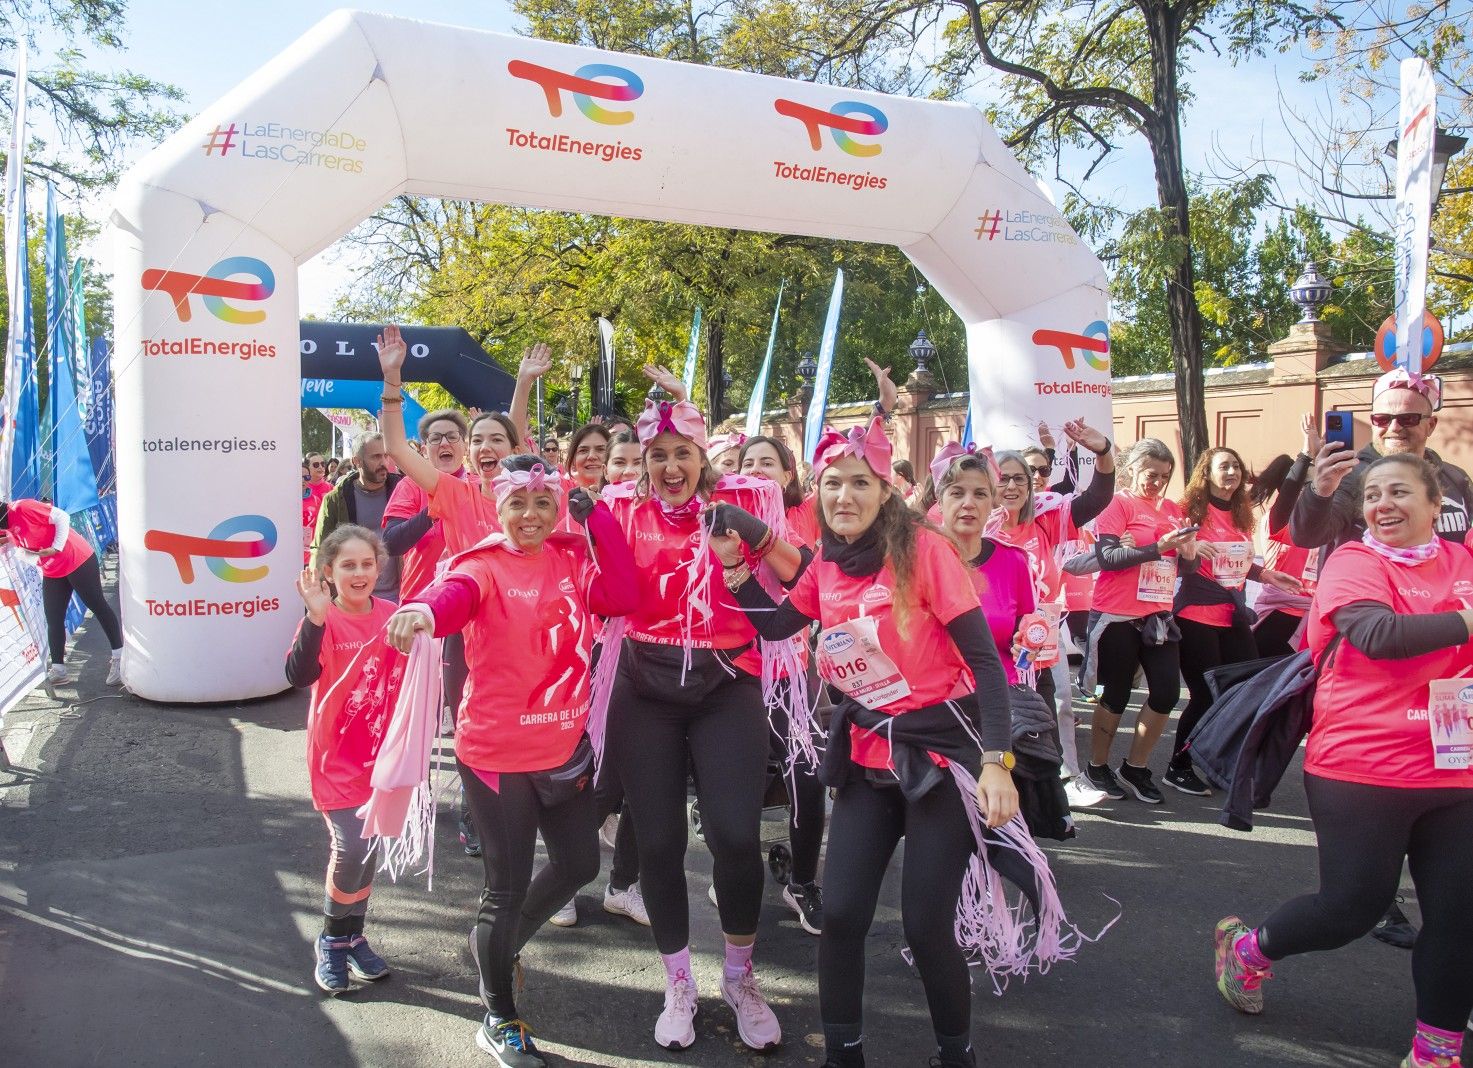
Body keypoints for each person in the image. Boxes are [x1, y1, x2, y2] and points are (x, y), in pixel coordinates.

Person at [721, 415, 1016, 1068]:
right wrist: (736, 572)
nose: (844, 497)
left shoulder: (925, 551)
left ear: (884, 491)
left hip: (940, 761)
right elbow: (776, 627)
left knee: (924, 925)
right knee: (843, 917)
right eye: (832, 484)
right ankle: (844, 1056)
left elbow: (988, 667)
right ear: (818, 492)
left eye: (859, 483)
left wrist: (997, 764)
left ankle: (954, 1055)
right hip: (864, 762)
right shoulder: (824, 562)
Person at [1214, 454, 1473, 1068]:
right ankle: (1249, 951)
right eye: (1373, 494)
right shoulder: (1354, 562)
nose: (1383, 503)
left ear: (1436, 507)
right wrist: (1465, 621)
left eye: (1400, 491)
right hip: (1362, 767)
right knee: (1350, 909)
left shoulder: (1463, 563)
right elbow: (1378, 636)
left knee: (1459, 917)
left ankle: (1435, 1051)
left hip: (1457, 767)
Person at [386, 455, 638, 1068]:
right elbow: (453, 596)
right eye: (518, 504)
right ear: (498, 509)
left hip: (564, 750)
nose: (531, 515)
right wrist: (422, 612)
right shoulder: (483, 564)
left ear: (557, 509)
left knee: (579, 864)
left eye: (543, 504)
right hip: (497, 756)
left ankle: (497, 948)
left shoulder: (573, 559)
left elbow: (624, 594)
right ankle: (499, 1015)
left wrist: (596, 516)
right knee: (505, 888)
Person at [601, 370, 805, 1053]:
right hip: (644, 688)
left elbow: (801, 574)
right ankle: (678, 980)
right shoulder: (619, 510)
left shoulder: (748, 498)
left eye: (680, 454)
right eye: (655, 455)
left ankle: (741, 977)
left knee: (734, 838)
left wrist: (749, 532)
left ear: (702, 460)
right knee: (657, 843)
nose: (667, 466)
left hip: (727, 684)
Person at [284, 524, 403, 996]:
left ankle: (354, 934)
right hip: (336, 760)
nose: (359, 573)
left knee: (369, 850)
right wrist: (314, 620)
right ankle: (332, 941)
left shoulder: (394, 615)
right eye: (348, 565)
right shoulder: (323, 619)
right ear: (328, 572)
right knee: (350, 848)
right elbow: (298, 674)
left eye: (367, 564)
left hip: (384, 763)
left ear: (380, 568)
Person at [990, 422, 1116, 807]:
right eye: (1003, 479)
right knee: (999, 729)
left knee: (1055, 706)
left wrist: (1103, 452)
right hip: (992, 647)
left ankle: (1062, 786)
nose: (1012, 487)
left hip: (1040, 640)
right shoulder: (975, 525)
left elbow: (1095, 498)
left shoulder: (1045, 517)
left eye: (1020, 480)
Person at [1167, 447, 1301, 795]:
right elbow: (1176, 564)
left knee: (1243, 691)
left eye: (1236, 466)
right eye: (1223, 466)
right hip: (1196, 614)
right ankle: (1177, 766)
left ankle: (1219, 761)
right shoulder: (1188, 513)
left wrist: (1268, 575)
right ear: (1206, 473)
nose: (1231, 472)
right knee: (1204, 696)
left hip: (1234, 615)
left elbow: (1237, 564)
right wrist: (1192, 550)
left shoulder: (1242, 515)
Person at [736, 432, 827, 934]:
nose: (756, 470)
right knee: (737, 785)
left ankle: (804, 880)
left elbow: (805, 578)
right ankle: (737, 870)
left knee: (808, 779)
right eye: (747, 462)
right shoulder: (719, 519)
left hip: (790, 668)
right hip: (731, 673)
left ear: (788, 475)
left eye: (767, 463)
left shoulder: (802, 518)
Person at [1084, 438, 1200, 804]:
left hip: (1157, 615)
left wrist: (1189, 554)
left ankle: (1135, 767)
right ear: (1131, 468)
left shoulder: (1171, 509)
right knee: (1116, 695)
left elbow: (1184, 566)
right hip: (1117, 614)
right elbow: (1107, 557)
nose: (1157, 483)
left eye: (1164, 476)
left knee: (1166, 692)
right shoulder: (1117, 504)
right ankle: (1096, 767)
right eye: (1151, 474)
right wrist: (1156, 548)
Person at [1291, 369, 1472, 554]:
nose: (1394, 428)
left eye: (1407, 419)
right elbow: (1307, 536)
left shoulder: (1456, 478)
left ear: (1431, 425)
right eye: (1382, 419)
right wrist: (1320, 490)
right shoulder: (1349, 476)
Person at [0, 498, 123, 686]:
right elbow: (26, 553)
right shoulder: (7, 529)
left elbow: (61, 517)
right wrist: (22, 550)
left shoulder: (21, 507)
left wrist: (56, 547)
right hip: (52, 569)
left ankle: (119, 657)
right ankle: (58, 669)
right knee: (54, 618)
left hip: (77, 559)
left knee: (97, 605)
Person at [312, 433, 405, 601]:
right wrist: (322, 596)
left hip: (400, 598)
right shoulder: (336, 500)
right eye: (376, 457)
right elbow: (321, 550)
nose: (383, 462)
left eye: (385, 456)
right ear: (357, 461)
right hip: (354, 601)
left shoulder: (404, 491)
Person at [566, 423, 612, 492]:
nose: (592, 456)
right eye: (583, 450)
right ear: (573, 460)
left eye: (600, 449)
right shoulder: (558, 496)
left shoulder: (630, 497)